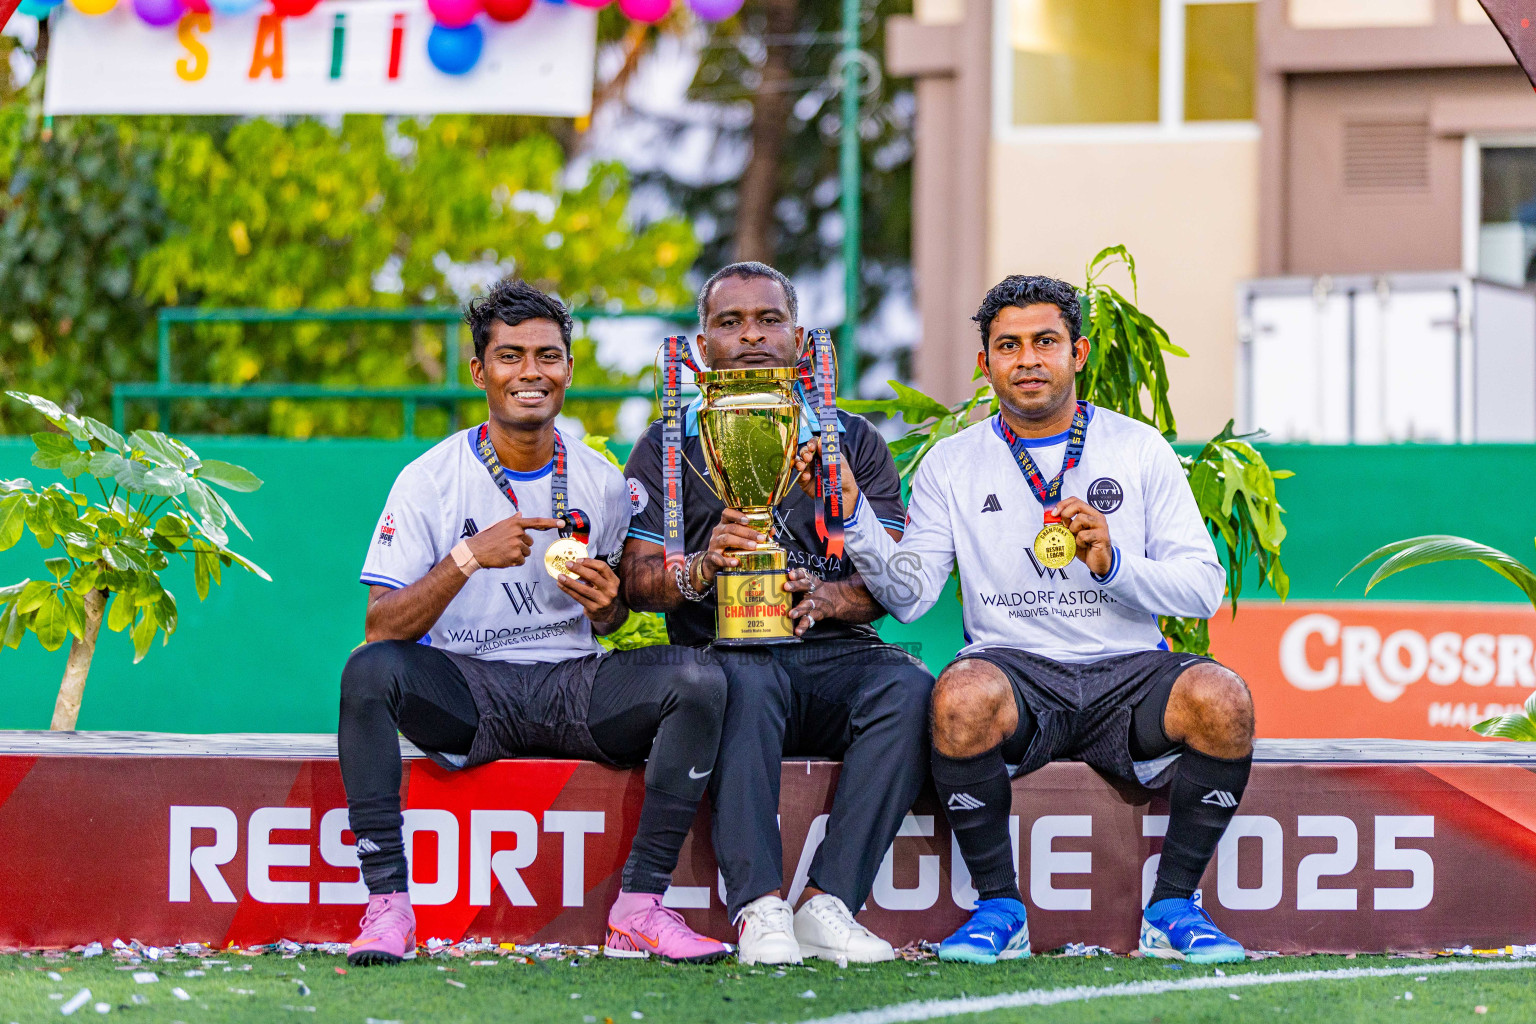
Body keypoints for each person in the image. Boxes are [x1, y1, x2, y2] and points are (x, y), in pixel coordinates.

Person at [827, 274, 1255, 965]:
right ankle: (1000, 908)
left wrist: (1114, 564)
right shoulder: (951, 462)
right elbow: (909, 597)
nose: (1027, 360)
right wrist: (854, 514)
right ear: (984, 363)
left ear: (1077, 352)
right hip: (1016, 669)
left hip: (1128, 671)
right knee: (960, 695)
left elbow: (1203, 589)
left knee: (1223, 699)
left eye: (1045, 341)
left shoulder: (1138, 447)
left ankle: (1173, 906)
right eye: (1008, 346)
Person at [340, 278, 731, 966]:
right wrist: (467, 557)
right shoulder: (429, 479)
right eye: (510, 356)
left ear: (569, 370)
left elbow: (612, 621)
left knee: (699, 679)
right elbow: (381, 625)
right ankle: (389, 906)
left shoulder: (601, 481)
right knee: (368, 672)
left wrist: (606, 605)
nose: (531, 373)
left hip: (569, 683)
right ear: (479, 372)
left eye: (547, 356)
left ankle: (640, 906)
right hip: (467, 686)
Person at [620, 262, 934, 966]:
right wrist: (702, 568)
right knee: (741, 683)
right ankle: (760, 906)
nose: (751, 336)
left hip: (835, 651)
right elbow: (635, 581)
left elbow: (890, 580)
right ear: (702, 345)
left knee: (909, 688)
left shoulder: (853, 440)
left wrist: (826, 598)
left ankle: (829, 903)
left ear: (798, 335)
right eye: (730, 322)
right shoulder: (668, 443)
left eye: (769, 319)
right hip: (728, 651)